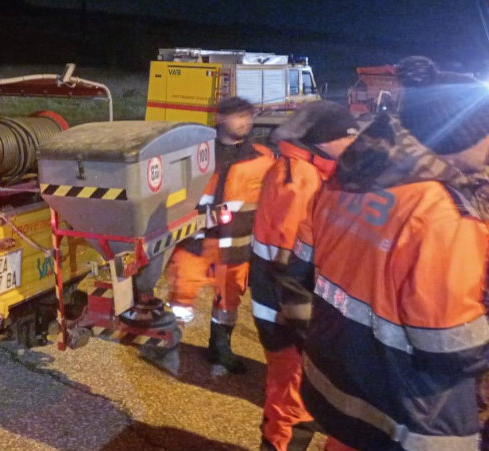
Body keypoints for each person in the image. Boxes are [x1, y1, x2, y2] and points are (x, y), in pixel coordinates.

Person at [278, 56, 489, 450]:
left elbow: (298, 279)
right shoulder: (442, 214)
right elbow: (451, 347)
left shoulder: (342, 181)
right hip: (411, 415)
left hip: (336, 389)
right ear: (459, 138)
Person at [249, 101, 359, 451]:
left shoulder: (304, 171)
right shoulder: (299, 180)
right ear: (325, 140)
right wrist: (303, 321)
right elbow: (290, 260)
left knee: (295, 397)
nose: (354, 143)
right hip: (289, 313)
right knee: (291, 399)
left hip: (288, 308)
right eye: (348, 136)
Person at [166, 96, 274, 373]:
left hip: (236, 245)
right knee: (180, 296)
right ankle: (168, 343)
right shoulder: (196, 155)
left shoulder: (263, 158)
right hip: (194, 242)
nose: (245, 122)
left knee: (228, 301)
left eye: (248, 116)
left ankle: (220, 348)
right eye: (238, 116)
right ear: (220, 118)